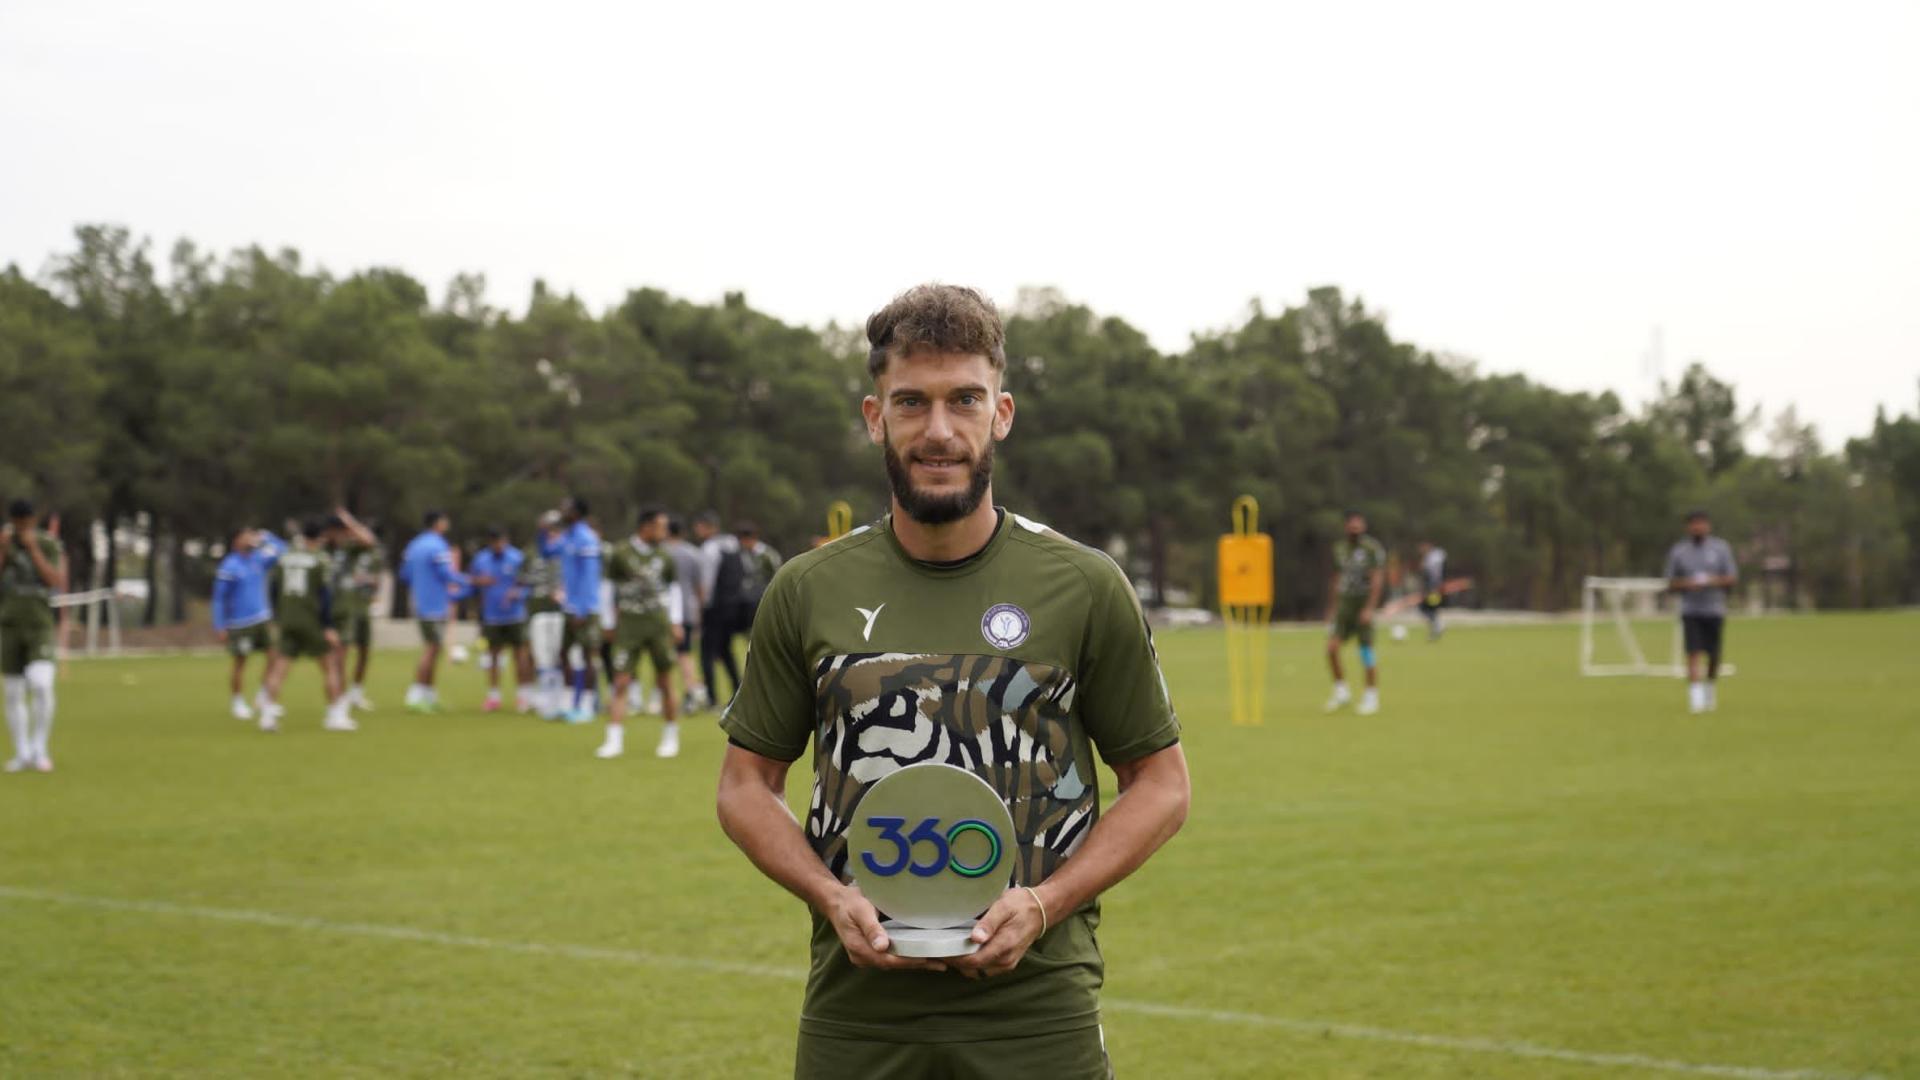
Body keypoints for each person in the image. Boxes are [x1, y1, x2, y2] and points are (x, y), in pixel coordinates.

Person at [716, 284, 1190, 1078]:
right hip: (856, 1021)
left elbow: (1162, 785)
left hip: (1037, 1020)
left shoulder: (1084, 584)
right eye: (912, 402)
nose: (940, 431)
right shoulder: (808, 589)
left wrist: (1044, 904)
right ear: (876, 418)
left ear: (1001, 413)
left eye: (965, 400)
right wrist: (831, 899)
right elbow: (742, 787)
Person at [598, 507, 685, 760]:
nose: (665, 531)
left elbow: (674, 589)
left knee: (666, 681)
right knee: (621, 681)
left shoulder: (665, 556)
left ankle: (670, 736)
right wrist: (607, 621)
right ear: (645, 527)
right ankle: (613, 739)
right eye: (661, 526)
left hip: (658, 624)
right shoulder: (620, 553)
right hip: (629, 625)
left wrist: (676, 621)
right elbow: (608, 587)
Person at [256, 519, 355, 733]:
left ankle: (267, 715)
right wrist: (328, 626)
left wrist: (276, 616)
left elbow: (273, 587)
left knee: (279, 668)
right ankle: (335, 715)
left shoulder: (284, 557)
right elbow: (325, 595)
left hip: (287, 619)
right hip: (311, 620)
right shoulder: (320, 559)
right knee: (330, 666)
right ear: (320, 538)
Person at [2, 501, 66, 772]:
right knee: (13, 692)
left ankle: (40, 747)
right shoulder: (4, 540)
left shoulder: (47, 543)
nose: (21, 527)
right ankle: (22, 752)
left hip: (39, 624)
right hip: (9, 625)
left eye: (26, 522)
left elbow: (54, 580)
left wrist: (33, 548)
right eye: (17, 522)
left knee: (41, 684)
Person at [1666, 509, 1739, 714]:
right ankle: (1696, 699)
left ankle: (1710, 688)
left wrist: (1711, 580)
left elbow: (1732, 578)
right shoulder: (1679, 551)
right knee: (1693, 652)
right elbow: (1670, 583)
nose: (1698, 527)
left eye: (1701, 523)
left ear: (1708, 526)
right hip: (1691, 609)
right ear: (1688, 527)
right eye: (1694, 523)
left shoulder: (1721, 548)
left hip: (1714, 609)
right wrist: (1687, 584)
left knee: (1714, 655)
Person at [211, 523, 286, 722]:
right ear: (237, 540)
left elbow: (282, 549)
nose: (250, 538)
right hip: (240, 623)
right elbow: (219, 599)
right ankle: (237, 701)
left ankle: (263, 696)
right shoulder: (229, 566)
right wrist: (220, 625)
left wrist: (266, 535)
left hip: (262, 619)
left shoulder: (258, 559)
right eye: (246, 535)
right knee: (240, 663)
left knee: (274, 656)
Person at [399, 509, 469, 713]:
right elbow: (447, 574)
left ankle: (428, 695)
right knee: (431, 648)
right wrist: (469, 582)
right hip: (435, 605)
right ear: (438, 523)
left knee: (435, 648)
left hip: (421, 603)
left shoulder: (414, 545)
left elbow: (405, 574)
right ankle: (415, 694)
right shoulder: (438, 545)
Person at [1325, 510, 1386, 715]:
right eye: (1352, 526)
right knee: (1332, 648)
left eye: (1359, 526)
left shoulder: (1371, 549)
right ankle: (1341, 691)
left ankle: (1371, 696)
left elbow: (1377, 579)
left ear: (1364, 527)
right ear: (1346, 527)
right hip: (1345, 604)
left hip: (1362, 602)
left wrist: (1369, 608)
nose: (1355, 529)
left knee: (1366, 651)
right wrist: (1333, 607)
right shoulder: (1339, 549)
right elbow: (1336, 578)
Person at [470, 525, 534, 713]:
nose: (498, 545)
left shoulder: (517, 558)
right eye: (494, 541)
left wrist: (518, 594)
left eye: (501, 541)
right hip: (492, 616)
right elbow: (472, 582)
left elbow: (529, 584)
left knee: (521, 654)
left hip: (515, 615)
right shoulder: (481, 560)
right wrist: (478, 582)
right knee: (493, 655)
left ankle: (523, 695)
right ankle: (493, 696)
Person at [554, 496, 603, 724]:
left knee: (586, 655)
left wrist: (582, 609)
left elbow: (589, 577)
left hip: (585, 607)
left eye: (567, 507)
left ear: (577, 512)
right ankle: (566, 704)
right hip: (569, 605)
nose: (562, 510)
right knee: (563, 653)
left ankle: (586, 705)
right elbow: (547, 552)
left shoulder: (586, 538)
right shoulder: (567, 536)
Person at [327, 508, 382, 711]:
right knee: (340, 652)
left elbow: (369, 541)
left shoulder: (356, 548)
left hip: (361, 605)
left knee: (364, 650)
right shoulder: (327, 548)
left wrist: (350, 521)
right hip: (339, 606)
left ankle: (355, 692)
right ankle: (338, 697)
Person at [696, 512, 745, 705]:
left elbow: (707, 581)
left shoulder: (709, 549)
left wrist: (702, 608)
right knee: (726, 651)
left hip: (715, 609)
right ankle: (737, 692)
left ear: (709, 527)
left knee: (706, 653)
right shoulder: (732, 544)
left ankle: (711, 697)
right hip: (733, 609)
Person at [523, 510, 568, 718]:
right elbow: (523, 577)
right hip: (538, 611)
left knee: (561, 654)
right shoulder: (535, 552)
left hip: (562, 612)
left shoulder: (568, 549)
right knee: (541, 655)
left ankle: (561, 697)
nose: (552, 533)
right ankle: (545, 696)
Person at [664, 516, 710, 712]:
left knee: (664, 656)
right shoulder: (693, 553)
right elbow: (700, 587)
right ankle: (693, 691)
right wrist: (699, 612)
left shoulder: (661, 552)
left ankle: (667, 695)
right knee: (685, 654)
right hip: (688, 610)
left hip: (664, 611)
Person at [1416, 538, 1447, 642]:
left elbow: (1431, 573)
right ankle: (1436, 627)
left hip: (1433, 587)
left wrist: (1430, 588)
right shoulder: (1433, 556)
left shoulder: (1433, 557)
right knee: (1428, 609)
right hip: (1432, 587)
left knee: (1428, 608)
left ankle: (1437, 626)